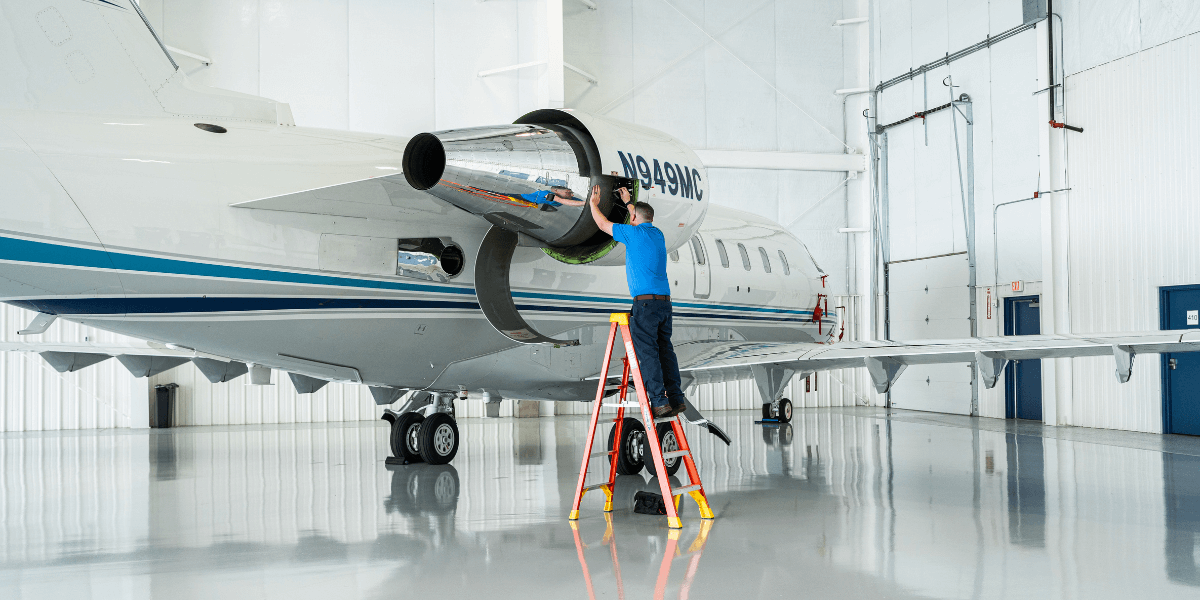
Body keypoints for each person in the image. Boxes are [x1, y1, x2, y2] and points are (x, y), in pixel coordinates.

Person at [589, 185, 686, 418]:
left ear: (633, 218)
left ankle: (659, 401)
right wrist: (629, 201)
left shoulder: (632, 234)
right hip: (664, 303)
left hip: (645, 305)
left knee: (648, 353)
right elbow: (639, 216)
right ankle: (676, 398)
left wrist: (593, 203)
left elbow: (602, 224)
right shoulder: (657, 234)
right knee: (665, 350)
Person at [518, 186, 586, 212]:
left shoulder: (566, 197)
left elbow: (581, 202)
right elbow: (560, 201)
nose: (572, 195)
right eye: (568, 192)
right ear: (556, 191)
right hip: (520, 199)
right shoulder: (545, 193)